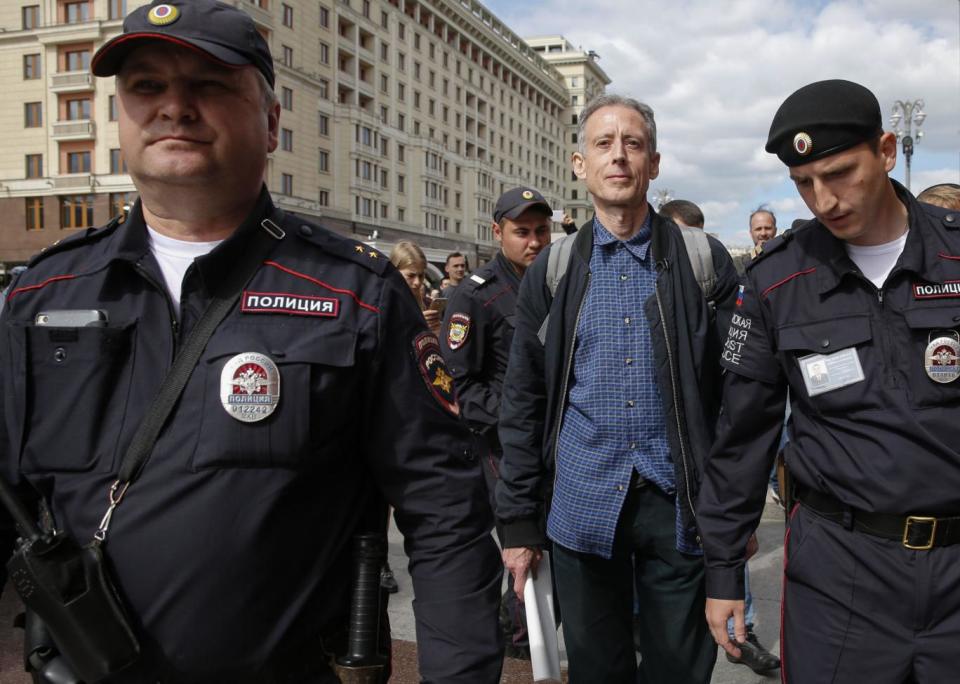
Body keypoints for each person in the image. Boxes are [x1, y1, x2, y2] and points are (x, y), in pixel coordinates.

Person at [0, 1, 503, 681]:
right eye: (146, 87)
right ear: (118, 114)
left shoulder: (356, 291)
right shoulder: (43, 294)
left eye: (208, 84)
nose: (174, 108)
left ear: (269, 123)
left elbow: (444, 511)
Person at [698, 79, 960, 683]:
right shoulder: (776, 281)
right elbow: (743, 434)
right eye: (803, 184)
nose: (824, 200)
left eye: (840, 173)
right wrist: (722, 572)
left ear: (887, 150)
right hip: (840, 574)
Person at [496, 94, 738, 683]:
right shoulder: (553, 272)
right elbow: (523, 402)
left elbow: (739, 397)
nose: (619, 157)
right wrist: (519, 524)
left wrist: (734, 514)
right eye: (604, 144)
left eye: (633, 144)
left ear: (654, 163)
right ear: (580, 164)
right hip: (581, 501)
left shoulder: (701, 262)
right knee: (596, 668)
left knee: (679, 667)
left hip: (678, 505)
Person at [440, 186, 552, 659]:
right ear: (497, 233)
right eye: (521, 232)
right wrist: (516, 416)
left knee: (545, 548)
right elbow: (457, 386)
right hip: (501, 445)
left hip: (555, 440)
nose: (534, 242)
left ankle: (521, 627)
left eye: (541, 231)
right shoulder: (474, 296)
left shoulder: (558, 283)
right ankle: (518, 640)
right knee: (522, 546)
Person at [389, 240, 441, 335]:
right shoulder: (382, 302)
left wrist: (437, 331)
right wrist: (417, 325)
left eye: (421, 276)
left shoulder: (426, 303)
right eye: (410, 276)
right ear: (395, 272)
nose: (417, 282)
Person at [734, 208, 778, 274]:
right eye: (758, 229)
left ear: (775, 231)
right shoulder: (739, 264)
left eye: (768, 228)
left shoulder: (787, 259)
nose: (763, 233)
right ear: (751, 233)